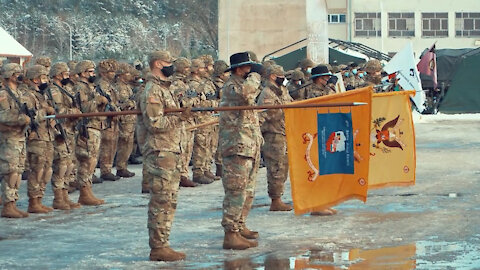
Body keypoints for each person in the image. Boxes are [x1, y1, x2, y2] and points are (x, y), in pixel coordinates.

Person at [141, 50, 191, 261]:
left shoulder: (165, 89)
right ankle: (158, 246)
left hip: (170, 150)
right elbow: (155, 124)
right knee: (161, 201)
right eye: (168, 62)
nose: (172, 65)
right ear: (158, 64)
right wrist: (180, 118)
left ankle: (163, 243)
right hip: (161, 152)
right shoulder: (153, 90)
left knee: (169, 200)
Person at [219, 52, 262, 250]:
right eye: (248, 68)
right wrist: (257, 76)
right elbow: (247, 93)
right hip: (236, 146)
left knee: (248, 191)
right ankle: (230, 233)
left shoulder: (243, 85)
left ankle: (240, 224)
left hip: (249, 145)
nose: (251, 71)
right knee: (236, 191)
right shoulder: (233, 86)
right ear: (239, 69)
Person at [257, 64, 293, 211]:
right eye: (280, 75)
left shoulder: (282, 90)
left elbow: (290, 103)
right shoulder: (267, 93)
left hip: (284, 132)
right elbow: (267, 115)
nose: (283, 78)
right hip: (273, 135)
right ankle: (275, 200)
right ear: (273, 76)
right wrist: (285, 110)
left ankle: (279, 196)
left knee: (283, 167)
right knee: (276, 169)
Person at [21, 65, 56, 213]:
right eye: (43, 77)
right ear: (35, 79)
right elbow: (28, 116)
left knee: (47, 169)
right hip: (36, 138)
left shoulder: (43, 95)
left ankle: (39, 198)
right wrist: (45, 112)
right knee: (37, 170)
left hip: (47, 136)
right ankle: (33, 201)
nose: (46, 80)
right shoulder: (27, 96)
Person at [73, 60, 108, 205]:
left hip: (96, 125)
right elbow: (83, 108)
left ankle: (87, 190)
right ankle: (84, 192)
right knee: (87, 161)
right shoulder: (79, 88)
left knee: (93, 160)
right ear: (82, 73)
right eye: (90, 71)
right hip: (87, 127)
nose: (93, 74)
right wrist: (97, 101)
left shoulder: (92, 87)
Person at [48, 62, 82, 210]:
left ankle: (65, 195)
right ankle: (58, 197)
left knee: (69, 164)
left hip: (70, 129)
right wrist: (72, 112)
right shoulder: (53, 90)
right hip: (60, 131)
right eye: (65, 74)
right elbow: (59, 109)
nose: (68, 77)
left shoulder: (66, 89)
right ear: (57, 75)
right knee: (61, 164)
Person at [0, 63, 30, 218]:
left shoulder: (18, 93)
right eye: (17, 73)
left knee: (17, 172)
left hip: (19, 137)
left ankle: (13, 202)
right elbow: (3, 115)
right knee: (10, 172)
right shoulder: (3, 94)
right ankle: (7, 206)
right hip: (9, 138)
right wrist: (20, 119)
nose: (20, 75)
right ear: (10, 75)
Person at [171, 57, 198, 187]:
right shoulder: (177, 84)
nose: (188, 71)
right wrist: (192, 102)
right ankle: (181, 175)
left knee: (188, 149)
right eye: (186, 68)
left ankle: (184, 173)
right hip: (182, 120)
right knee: (182, 149)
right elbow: (182, 102)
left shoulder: (184, 83)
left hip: (189, 119)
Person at [188, 59, 215, 184]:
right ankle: (198, 172)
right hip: (200, 118)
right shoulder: (193, 85)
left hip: (208, 118)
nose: (206, 70)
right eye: (203, 68)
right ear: (196, 69)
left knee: (207, 146)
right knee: (200, 146)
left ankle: (205, 168)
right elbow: (196, 103)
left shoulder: (204, 83)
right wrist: (212, 103)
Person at [97, 59, 121, 182]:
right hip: (106, 119)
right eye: (111, 71)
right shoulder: (101, 85)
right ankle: (105, 170)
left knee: (112, 144)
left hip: (113, 118)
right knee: (106, 145)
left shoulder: (111, 85)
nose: (113, 74)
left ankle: (108, 169)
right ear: (103, 73)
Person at [114, 63, 136, 178]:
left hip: (130, 119)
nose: (129, 75)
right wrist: (129, 103)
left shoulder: (127, 86)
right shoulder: (119, 87)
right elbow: (121, 103)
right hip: (125, 120)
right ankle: (120, 167)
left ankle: (124, 166)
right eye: (127, 73)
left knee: (129, 144)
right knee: (124, 143)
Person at [212, 60, 230, 177]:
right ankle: (219, 166)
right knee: (218, 143)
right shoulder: (217, 85)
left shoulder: (222, 84)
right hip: (217, 116)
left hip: (221, 116)